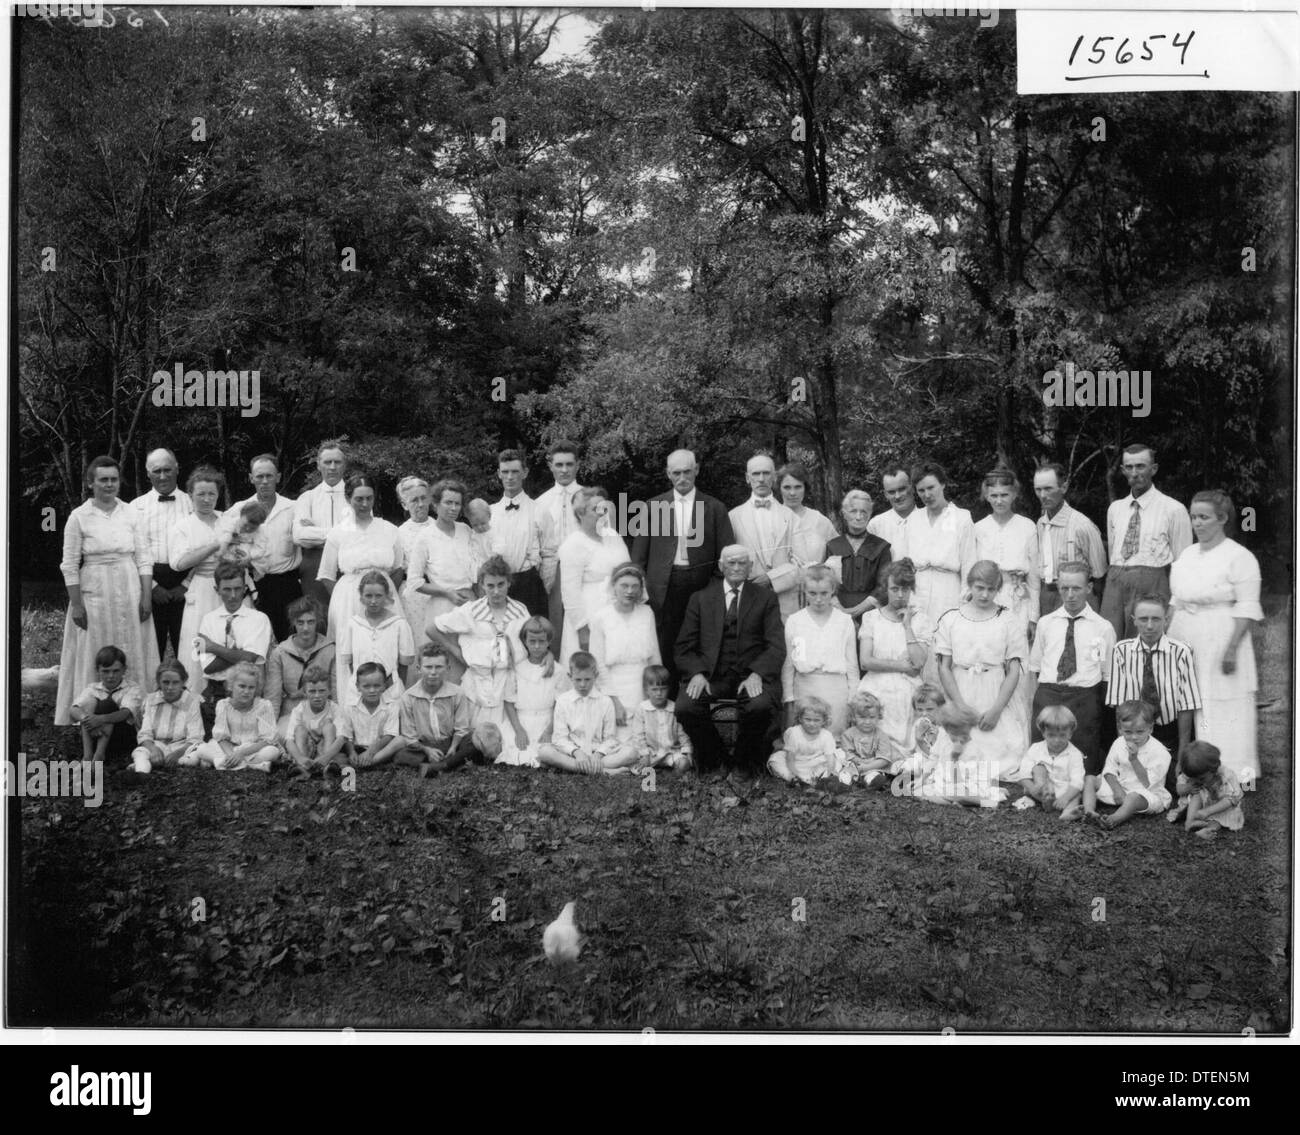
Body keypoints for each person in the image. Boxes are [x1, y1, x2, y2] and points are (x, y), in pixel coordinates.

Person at [1168, 490, 1264, 784]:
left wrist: (1232, 648)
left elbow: (1247, 606)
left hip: (1221, 634)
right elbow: (1175, 599)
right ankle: (1189, 766)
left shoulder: (1239, 556)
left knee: (1222, 702)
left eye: (1204, 517)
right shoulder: (1187, 554)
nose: (1197, 523)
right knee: (1188, 701)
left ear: (1222, 518)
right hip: (1186, 633)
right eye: (1193, 516)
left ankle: (1231, 771)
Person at [55, 456, 159, 726]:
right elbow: (69, 565)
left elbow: (144, 558)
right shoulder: (79, 517)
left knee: (132, 645)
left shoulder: (132, 514)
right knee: (95, 647)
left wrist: (146, 596)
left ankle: (136, 713)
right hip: (95, 591)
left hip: (128, 587)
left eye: (113, 479)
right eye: (103, 479)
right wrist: (77, 604)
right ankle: (91, 714)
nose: (109, 484)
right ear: (91, 483)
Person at [674, 545, 785, 774]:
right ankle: (717, 759)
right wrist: (697, 673)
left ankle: (744, 762)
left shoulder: (766, 598)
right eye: (731, 563)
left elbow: (775, 645)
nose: (736, 567)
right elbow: (683, 646)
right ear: (721, 566)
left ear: (750, 567)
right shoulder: (701, 599)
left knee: (760, 706)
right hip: (712, 676)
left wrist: (757, 674)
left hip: (750, 675)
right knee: (686, 707)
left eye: (742, 563)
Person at [630, 449, 733, 685]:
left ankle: (697, 703)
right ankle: (667, 704)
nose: (682, 477)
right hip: (663, 589)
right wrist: (642, 590)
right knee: (665, 644)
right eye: (676, 473)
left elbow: (726, 556)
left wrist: (714, 589)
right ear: (668, 474)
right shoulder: (653, 506)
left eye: (687, 471)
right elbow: (639, 556)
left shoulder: (715, 508)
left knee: (699, 643)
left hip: (702, 587)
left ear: (697, 470)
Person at [934, 560, 1028, 779]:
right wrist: (959, 705)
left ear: (998, 589)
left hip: (994, 688)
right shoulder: (952, 618)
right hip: (961, 687)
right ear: (970, 586)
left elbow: (1014, 670)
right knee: (957, 752)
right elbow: (944, 667)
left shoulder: (1008, 620)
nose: (985, 595)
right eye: (979, 588)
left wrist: (996, 710)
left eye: (991, 589)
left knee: (1001, 759)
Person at [1107, 594, 1201, 799]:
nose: (1150, 626)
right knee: (1137, 781)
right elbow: (1119, 704)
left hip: (1170, 732)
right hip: (1135, 732)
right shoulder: (1121, 651)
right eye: (1143, 619)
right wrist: (1123, 748)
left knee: (1177, 786)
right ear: (1133, 620)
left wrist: (1183, 753)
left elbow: (1187, 704)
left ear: (1166, 619)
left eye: (1156, 619)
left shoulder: (1181, 652)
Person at [1027, 562, 1116, 776]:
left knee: (1084, 757)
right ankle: (1043, 784)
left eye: (1076, 588)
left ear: (1089, 587)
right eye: (1064, 588)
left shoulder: (1102, 627)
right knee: (1042, 751)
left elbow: (1107, 673)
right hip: (1049, 692)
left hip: (1084, 696)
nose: (1070, 595)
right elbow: (1037, 665)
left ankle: (1081, 788)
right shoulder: (1046, 623)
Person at [1102, 444, 1193, 638]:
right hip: (1116, 582)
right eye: (1129, 467)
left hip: (1152, 585)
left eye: (1141, 466)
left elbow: (1184, 564)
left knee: (1146, 644)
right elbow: (1113, 553)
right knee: (1108, 642)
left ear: (1154, 469)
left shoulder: (1173, 509)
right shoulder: (1115, 509)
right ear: (1123, 470)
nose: (1134, 473)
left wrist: (1174, 603)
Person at [427, 555, 530, 727]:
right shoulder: (471, 611)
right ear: (481, 585)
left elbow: (531, 641)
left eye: (500, 585)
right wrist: (456, 651)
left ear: (509, 583)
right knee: (476, 734)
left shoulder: (520, 611)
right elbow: (431, 628)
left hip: (510, 685)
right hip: (478, 685)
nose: (496, 591)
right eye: (490, 585)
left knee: (505, 737)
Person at [170, 466, 239, 694]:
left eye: (212, 494)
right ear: (190, 495)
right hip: (202, 588)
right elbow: (179, 563)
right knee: (200, 641)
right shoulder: (183, 526)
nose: (207, 499)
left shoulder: (228, 520)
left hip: (230, 588)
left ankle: (233, 695)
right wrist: (213, 546)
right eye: (201, 494)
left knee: (232, 639)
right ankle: (198, 698)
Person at [318, 473, 406, 647]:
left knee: (386, 645)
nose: (365, 504)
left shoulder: (390, 530)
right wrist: (346, 599)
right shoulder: (338, 533)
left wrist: (384, 595)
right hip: (349, 599)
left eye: (369, 498)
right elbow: (326, 575)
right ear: (348, 498)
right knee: (352, 646)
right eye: (359, 499)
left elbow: (398, 568)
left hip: (384, 597)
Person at [857, 558, 932, 754]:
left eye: (905, 590)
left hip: (907, 686)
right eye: (895, 589)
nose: (900, 595)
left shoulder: (920, 620)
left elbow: (919, 662)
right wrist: (901, 666)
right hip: (876, 684)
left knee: (908, 699)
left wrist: (907, 625)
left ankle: (901, 759)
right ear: (886, 588)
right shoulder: (871, 618)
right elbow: (866, 662)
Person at [194, 563, 274, 735]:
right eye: (227, 589)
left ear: (245, 588)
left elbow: (251, 659)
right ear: (217, 589)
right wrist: (239, 653)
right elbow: (207, 666)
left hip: (248, 693)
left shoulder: (259, 619)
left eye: (238, 589)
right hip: (215, 692)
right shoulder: (207, 620)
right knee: (214, 750)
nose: (233, 595)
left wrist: (213, 647)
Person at [780, 563, 859, 735]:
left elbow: (852, 663)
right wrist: (789, 697)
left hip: (836, 691)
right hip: (806, 688)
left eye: (824, 593)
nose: (818, 599)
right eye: (812, 593)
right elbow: (791, 661)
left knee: (834, 743)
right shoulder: (795, 621)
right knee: (806, 741)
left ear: (833, 591)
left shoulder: (844, 621)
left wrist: (853, 697)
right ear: (804, 591)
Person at [557, 488, 631, 666]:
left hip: (617, 612)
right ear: (580, 514)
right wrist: (583, 630)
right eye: (595, 510)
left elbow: (628, 571)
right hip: (589, 616)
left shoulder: (613, 536)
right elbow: (570, 593)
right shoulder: (573, 545)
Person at [131, 448, 193, 662]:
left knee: (188, 647)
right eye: (157, 471)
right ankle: (149, 693)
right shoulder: (135, 508)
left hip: (186, 581)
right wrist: (152, 588)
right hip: (149, 582)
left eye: (168, 469)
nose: (163, 476)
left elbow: (204, 548)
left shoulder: (194, 504)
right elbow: (131, 552)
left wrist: (186, 585)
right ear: (148, 473)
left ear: (177, 470)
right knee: (149, 650)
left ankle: (191, 693)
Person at [588, 563, 661, 733]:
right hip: (613, 686)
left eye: (635, 586)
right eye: (624, 585)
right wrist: (614, 701)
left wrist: (654, 694)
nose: (630, 591)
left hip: (643, 685)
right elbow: (597, 663)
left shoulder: (647, 613)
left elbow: (655, 657)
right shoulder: (601, 617)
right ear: (613, 586)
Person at [237, 454, 303, 643]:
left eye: (269, 476)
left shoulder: (294, 508)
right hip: (255, 584)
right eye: (259, 476)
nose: (264, 481)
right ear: (251, 478)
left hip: (288, 584)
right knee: (257, 641)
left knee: (291, 641)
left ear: (279, 477)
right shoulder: (239, 509)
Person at [901, 461, 976, 625]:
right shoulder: (913, 520)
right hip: (918, 591)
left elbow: (969, 563)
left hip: (948, 591)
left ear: (942, 484)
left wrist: (966, 601)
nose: (927, 495)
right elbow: (905, 565)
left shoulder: (961, 517)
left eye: (931, 487)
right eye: (921, 490)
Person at [729, 452, 800, 618]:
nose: (761, 479)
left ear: (774, 477)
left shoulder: (790, 515)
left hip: (785, 602)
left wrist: (771, 578)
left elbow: (801, 561)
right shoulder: (733, 516)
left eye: (766, 473)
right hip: (747, 599)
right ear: (747, 478)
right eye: (756, 474)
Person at [537, 652, 633, 774]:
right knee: (544, 752)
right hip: (573, 754)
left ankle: (576, 767)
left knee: (631, 752)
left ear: (596, 675)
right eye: (578, 680)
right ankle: (604, 771)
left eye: (587, 679)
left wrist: (598, 754)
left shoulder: (605, 701)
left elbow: (610, 738)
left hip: (598, 755)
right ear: (570, 676)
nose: (583, 685)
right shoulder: (563, 701)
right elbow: (559, 738)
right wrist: (577, 753)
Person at [973, 467, 1039, 643]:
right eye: (994, 495)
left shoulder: (1027, 526)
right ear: (986, 496)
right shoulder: (979, 528)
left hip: (1017, 598)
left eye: (1004, 495)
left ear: (1014, 494)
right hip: (986, 597)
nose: (999, 500)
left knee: (1017, 649)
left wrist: (1034, 616)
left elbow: (1033, 577)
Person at [1084, 700, 1172, 829]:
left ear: (1151, 728)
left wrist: (1134, 760)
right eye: (1128, 732)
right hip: (1122, 787)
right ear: (1120, 729)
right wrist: (1117, 790)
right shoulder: (1119, 742)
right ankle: (1089, 811)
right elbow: (1109, 770)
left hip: (1146, 794)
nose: (1134, 737)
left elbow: (1148, 783)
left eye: (1140, 732)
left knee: (1133, 797)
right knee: (1090, 779)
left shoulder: (1160, 752)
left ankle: (1114, 819)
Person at [1033, 463, 1106, 616]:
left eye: (1048, 488)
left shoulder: (1082, 525)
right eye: (1038, 489)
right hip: (1047, 595)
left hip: (1076, 597)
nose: (1043, 495)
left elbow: (1099, 575)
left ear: (1064, 487)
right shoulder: (1041, 524)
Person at [407, 478, 474, 639]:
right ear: (436, 504)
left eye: (457, 503)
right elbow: (414, 582)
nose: (453, 508)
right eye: (448, 502)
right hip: (442, 607)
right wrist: (446, 593)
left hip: (469, 605)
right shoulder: (425, 537)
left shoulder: (465, 530)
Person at [395, 644, 476, 776]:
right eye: (428, 667)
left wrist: (454, 747)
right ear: (418, 669)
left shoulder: (457, 693)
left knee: (475, 740)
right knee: (400, 755)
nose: (433, 672)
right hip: (424, 745)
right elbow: (409, 735)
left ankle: (441, 765)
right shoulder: (408, 697)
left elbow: (462, 727)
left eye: (438, 667)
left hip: (451, 741)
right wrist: (427, 750)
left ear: (447, 669)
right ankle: (451, 763)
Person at [185, 663, 280, 772]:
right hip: (228, 749)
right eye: (242, 686)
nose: (246, 691)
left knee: (272, 751)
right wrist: (232, 755)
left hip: (253, 749)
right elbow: (221, 737)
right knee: (202, 748)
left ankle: (221, 763)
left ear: (256, 688)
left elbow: (267, 740)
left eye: (251, 687)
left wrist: (241, 753)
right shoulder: (223, 705)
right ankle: (252, 766)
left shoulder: (264, 706)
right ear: (231, 686)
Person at [338, 571, 415, 706]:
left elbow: (404, 665)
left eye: (378, 596)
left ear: (386, 596)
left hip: (390, 690)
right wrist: (361, 683)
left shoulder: (399, 624)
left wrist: (394, 684)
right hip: (360, 691)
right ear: (361, 597)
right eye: (368, 596)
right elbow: (350, 662)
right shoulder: (353, 624)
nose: (373, 601)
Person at [266, 597, 336, 739]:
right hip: (291, 712)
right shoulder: (280, 653)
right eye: (300, 622)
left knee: (331, 734)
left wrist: (338, 719)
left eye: (310, 622)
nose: (305, 628)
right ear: (293, 623)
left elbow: (335, 690)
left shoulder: (330, 650)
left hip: (323, 711)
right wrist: (269, 728)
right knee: (283, 735)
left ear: (318, 622)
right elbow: (273, 695)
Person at [536, 440, 584, 649]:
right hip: (553, 572)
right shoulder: (540, 502)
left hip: (583, 570)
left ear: (577, 465)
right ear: (550, 466)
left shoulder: (591, 498)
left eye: (569, 464)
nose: (564, 470)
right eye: (559, 465)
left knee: (581, 623)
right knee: (555, 625)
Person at [490, 449, 548, 617]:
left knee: (532, 636)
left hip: (530, 584)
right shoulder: (490, 512)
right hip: (497, 584)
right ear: (499, 474)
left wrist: (542, 585)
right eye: (505, 472)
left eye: (515, 471)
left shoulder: (539, 510)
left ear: (525, 473)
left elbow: (549, 552)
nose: (510, 477)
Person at [501, 616, 564, 768]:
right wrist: (519, 730)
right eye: (532, 641)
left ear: (549, 641)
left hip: (547, 721)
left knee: (546, 755)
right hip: (521, 721)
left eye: (541, 641)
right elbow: (508, 702)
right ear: (525, 641)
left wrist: (549, 730)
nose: (536, 646)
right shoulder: (517, 669)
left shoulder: (558, 670)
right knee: (516, 755)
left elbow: (560, 705)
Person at [294, 440, 349, 605]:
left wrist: (315, 533)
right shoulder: (307, 498)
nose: (332, 467)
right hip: (314, 565)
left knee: (347, 613)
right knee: (317, 615)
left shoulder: (356, 496)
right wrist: (340, 533)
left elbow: (360, 534)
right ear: (319, 465)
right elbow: (299, 536)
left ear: (344, 465)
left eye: (337, 462)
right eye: (327, 462)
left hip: (347, 563)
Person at [824, 490, 892, 621]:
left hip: (871, 614)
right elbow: (826, 582)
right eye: (853, 511)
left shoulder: (881, 546)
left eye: (864, 512)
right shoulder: (833, 546)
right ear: (844, 514)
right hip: (837, 614)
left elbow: (884, 586)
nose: (859, 516)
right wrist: (841, 611)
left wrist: (857, 610)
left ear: (870, 514)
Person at [69, 645, 144, 763]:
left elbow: (125, 713)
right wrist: (88, 720)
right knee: (89, 704)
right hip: (96, 734)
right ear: (97, 670)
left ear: (124, 669)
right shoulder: (92, 688)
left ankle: (99, 755)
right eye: (105, 671)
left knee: (107, 705)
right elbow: (73, 709)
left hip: (123, 738)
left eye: (116, 671)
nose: (111, 676)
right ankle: (87, 756)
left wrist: (100, 719)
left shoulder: (132, 688)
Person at [131, 660, 204, 774]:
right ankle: (141, 772)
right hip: (158, 745)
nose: (170, 687)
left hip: (182, 746)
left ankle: (159, 763)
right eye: (165, 682)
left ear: (183, 682)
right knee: (140, 752)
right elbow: (145, 733)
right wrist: (153, 749)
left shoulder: (191, 701)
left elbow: (195, 737)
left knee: (196, 752)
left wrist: (178, 753)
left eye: (175, 682)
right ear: (159, 682)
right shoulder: (151, 700)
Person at [778, 461, 837, 600]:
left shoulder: (820, 520)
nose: (792, 493)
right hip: (781, 597)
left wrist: (824, 568)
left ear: (805, 488)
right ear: (779, 488)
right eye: (787, 487)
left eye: (798, 487)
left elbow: (838, 555)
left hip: (816, 596)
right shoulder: (770, 519)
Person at [1016, 704, 1085, 819]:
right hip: (1041, 788)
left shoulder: (1075, 754)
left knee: (1076, 795)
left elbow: (1077, 781)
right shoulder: (1036, 748)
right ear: (1043, 733)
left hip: (1064, 790)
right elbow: (1023, 774)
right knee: (1038, 768)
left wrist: (1065, 798)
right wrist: (1033, 790)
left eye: (1062, 735)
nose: (1056, 740)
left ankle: (1067, 813)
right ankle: (1045, 801)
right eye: (1051, 735)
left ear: (1070, 733)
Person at [1169, 740, 1244, 840]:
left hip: (1219, 807)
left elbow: (1233, 799)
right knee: (1197, 793)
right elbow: (1179, 789)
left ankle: (1205, 830)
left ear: (1213, 769)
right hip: (1197, 807)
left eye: (1201, 778)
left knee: (1216, 822)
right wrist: (1188, 788)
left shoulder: (1226, 775)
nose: (1197, 780)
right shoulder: (1192, 772)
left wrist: (1207, 811)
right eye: (1192, 777)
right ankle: (1190, 822)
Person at [628, 664, 693, 773]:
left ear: (669, 689)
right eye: (654, 689)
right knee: (635, 769)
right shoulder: (642, 709)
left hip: (671, 752)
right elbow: (638, 735)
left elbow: (682, 733)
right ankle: (653, 768)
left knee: (684, 764)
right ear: (646, 690)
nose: (659, 693)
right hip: (650, 753)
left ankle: (673, 776)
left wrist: (687, 751)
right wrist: (644, 754)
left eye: (663, 689)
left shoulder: (674, 708)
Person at [286, 666, 348, 778]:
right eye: (312, 691)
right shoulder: (299, 709)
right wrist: (300, 758)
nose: (317, 696)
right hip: (306, 750)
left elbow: (342, 738)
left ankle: (327, 766)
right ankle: (302, 767)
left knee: (329, 727)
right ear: (305, 692)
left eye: (322, 691)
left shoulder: (334, 709)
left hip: (326, 751)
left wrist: (326, 757)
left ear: (329, 691)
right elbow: (289, 740)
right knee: (299, 729)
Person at [340, 663, 407, 769]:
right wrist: (351, 752)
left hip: (380, 749)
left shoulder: (391, 706)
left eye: (377, 686)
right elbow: (347, 735)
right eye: (366, 686)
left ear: (384, 686)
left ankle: (368, 763)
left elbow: (389, 735)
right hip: (357, 748)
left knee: (400, 741)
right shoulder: (350, 707)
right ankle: (361, 762)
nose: (372, 690)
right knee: (339, 749)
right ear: (357, 687)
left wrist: (371, 751)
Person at [395, 476, 435, 648]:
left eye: (423, 498)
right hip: (412, 598)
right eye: (414, 500)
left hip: (437, 593)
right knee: (415, 644)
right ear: (404, 504)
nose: (420, 504)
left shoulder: (440, 527)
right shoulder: (399, 533)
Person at [767, 696, 842, 784]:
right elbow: (790, 758)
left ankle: (824, 778)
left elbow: (829, 757)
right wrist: (795, 773)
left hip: (815, 763)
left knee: (838, 758)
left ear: (824, 721)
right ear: (800, 719)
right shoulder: (794, 733)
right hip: (796, 763)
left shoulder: (826, 735)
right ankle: (793, 779)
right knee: (775, 759)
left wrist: (830, 771)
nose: (811, 724)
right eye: (807, 719)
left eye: (816, 720)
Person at [837, 691, 901, 787]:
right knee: (843, 764)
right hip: (854, 765)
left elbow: (884, 759)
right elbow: (848, 754)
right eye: (862, 717)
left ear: (878, 716)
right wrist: (859, 763)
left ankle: (871, 780)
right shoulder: (848, 734)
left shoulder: (881, 736)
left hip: (874, 766)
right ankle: (844, 781)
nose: (867, 722)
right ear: (854, 717)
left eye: (872, 717)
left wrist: (867, 767)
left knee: (874, 775)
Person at [867, 464, 916, 557]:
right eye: (891, 492)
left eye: (902, 489)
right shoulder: (876, 526)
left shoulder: (930, 520)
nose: (897, 496)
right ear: (885, 494)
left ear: (912, 488)